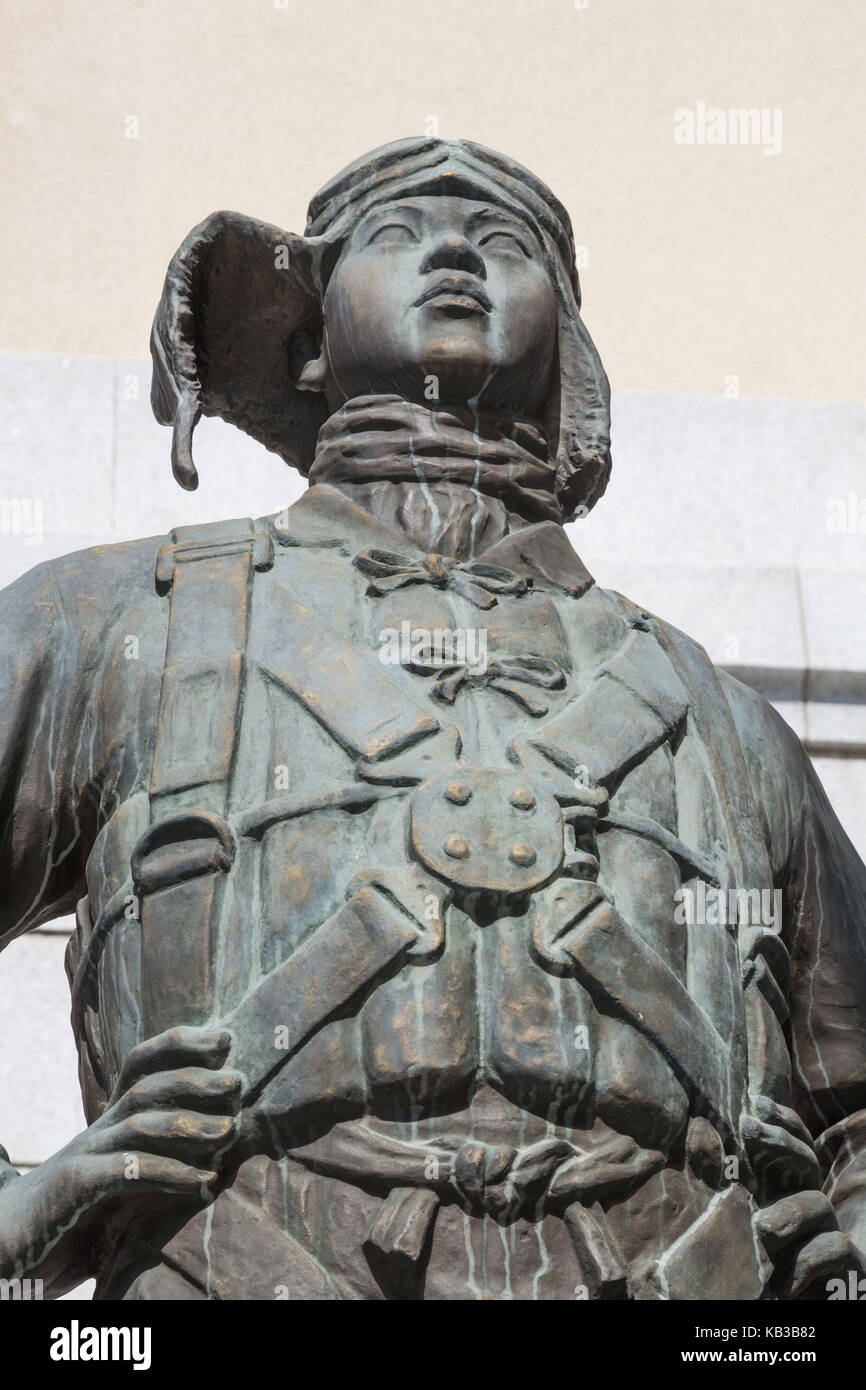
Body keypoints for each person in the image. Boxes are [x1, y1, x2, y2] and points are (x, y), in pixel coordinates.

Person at [1, 138, 864, 1300]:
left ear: (564, 345)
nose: (455, 249)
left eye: (504, 243)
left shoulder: (717, 719)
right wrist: (23, 1208)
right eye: (398, 234)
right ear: (308, 339)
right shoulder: (115, 623)